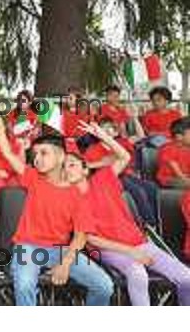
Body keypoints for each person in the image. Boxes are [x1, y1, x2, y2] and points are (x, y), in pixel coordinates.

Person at [0, 106, 114, 306]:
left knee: (104, 286)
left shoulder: (76, 194)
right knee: (25, 285)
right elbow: (9, 155)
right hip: (27, 247)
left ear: (61, 157)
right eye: (35, 154)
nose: (37, 159)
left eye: (44, 153)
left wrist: (65, 264)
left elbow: (81, 235)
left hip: (60, 251)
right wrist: (0, 127)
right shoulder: (33, 178)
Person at [65, 120, 190, 306]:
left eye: (72, 165)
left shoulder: (103, 180)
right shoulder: (68, 199)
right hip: (108, 250)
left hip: (139, 243)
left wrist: (103, 136)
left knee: (186, 278)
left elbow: (123, 157)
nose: (67, 169)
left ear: (85, 169)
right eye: (63, 167)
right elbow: (91, 239)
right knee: (138, 274)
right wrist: (131, 251)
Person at [84, 116, 159, 226]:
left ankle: (157, 221)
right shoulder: (92, 149)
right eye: (103, 128)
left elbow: (141, 137)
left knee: (151, 187)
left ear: (115, 133)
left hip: (125, 174)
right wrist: (103, 163)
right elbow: (88, 166)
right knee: (138, 191)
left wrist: (134, 116)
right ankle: (149, 223)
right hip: (110, 178)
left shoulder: (122, 142)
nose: (106, 131)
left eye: (110, 128)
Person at [155, 117, 190, 188]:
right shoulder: (168, 149)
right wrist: (185, 178)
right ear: (179, 137)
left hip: (184, 177)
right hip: (169, 180)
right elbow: (177, 172)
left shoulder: (187, 148)